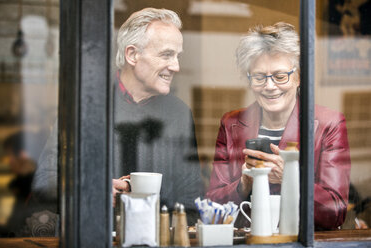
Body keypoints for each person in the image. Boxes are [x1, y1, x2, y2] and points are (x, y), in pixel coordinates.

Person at [206, 22, 351, 230]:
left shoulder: (329, 124)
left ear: (299, 76)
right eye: (259, 77)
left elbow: (335, 212)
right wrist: (243, 184)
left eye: (280, 76)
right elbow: (211, 210)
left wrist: (291, 178)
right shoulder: (231, 124)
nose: (270, 86)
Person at [112, 8, 203, 224]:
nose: (176, 66)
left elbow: (191, 200)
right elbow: (47, 180)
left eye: (177, 56)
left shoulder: (180, 113)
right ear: (132, 54)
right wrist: (98, 189)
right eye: (166, 54)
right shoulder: (89, 103)